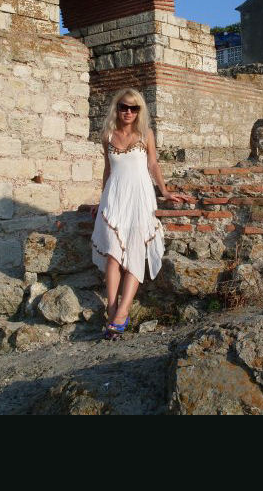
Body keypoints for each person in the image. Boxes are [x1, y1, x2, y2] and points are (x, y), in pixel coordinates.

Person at [90, 88, 185, 339]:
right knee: (113, 255)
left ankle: (123, 312)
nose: (128, 112)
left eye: (134, 108)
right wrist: (100, 200)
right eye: (124, 107)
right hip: (114, 198)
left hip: (140, 198)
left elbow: (153, 164)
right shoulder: (107, 135)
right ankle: (112, 309)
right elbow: (107, 170)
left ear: (139, 111)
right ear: (117, 108)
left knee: (134, 253)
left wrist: (164, 191)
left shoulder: (146, 134)